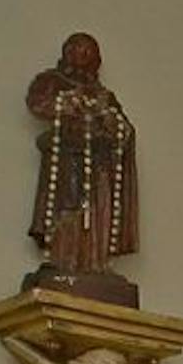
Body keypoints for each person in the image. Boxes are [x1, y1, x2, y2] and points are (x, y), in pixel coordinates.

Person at [25, 33, 138, 303]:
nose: (83, 56)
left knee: (99, 213)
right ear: (67, 53)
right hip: (69, 158)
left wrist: (112, 124)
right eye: (78, 49)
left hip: (100, 166)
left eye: (89, 52)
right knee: (69, 210)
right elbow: (38, 104)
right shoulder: (53, 81)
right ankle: (65, 261)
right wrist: (68, 105)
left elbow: (125, 129)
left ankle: (95, 263)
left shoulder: (104, 95)